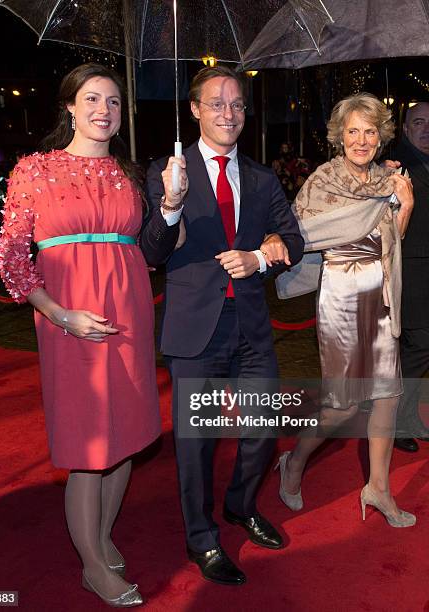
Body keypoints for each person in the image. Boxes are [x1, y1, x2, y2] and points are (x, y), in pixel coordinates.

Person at [0, 63, 161, 607]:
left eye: (114, 102)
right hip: (69, 316)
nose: (103, 111)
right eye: (92, 99)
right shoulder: (35, 169)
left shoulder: (129, 173)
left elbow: (151, 246)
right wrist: (57, 313)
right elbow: (12, 256)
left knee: (126, 438)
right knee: (90, 443)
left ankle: (102, 535)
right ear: (69, 105)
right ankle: (93, 566)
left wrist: (174, 202)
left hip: (129, 311)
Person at [140, 65, 304, 586]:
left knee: (262, 430)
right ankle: (202, 537)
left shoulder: (259, 177)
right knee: (198, 442)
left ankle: (240, 505)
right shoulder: (168, 171)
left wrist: (264, 254)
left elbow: (293, 240)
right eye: (216, 104)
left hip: (252, 325)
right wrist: (170, 204)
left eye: (236, 104)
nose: (228, 114)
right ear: (194, 110)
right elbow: (152, 252)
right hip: (196, 330)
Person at [269, 93, 416, 527]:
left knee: (388, 394)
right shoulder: (322, 181)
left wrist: (404, 204)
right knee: (344, 405)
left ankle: (378, 488)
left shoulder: (390, 181)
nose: (361, 139)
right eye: (352, 131)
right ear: (339, 136)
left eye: (370, 131)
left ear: (381, 136)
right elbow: (300, 235)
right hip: (341, 294)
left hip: (382, 293)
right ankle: (294, 461)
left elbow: (393, 241)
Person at [393, 102, 429, 452]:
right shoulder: (396, 167)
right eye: (418, 122)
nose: (426, 129)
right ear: (405, 129)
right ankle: (396, 420)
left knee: (419, 349)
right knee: (419, 346)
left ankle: (408, 416)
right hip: (412, 272)